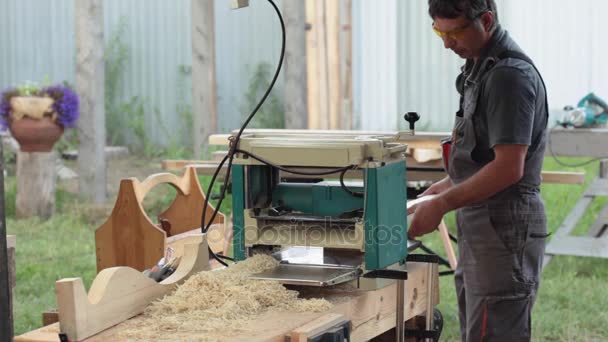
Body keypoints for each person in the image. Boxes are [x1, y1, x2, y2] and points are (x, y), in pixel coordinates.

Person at [408, 0, 549, 341]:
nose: (446, 42)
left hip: (503, 225)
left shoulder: (508, 76)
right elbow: (483, 157)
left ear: (486, 20)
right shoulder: (478, 67)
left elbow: (507, 168)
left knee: (494, 331)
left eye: (454, 31)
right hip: (481, 223)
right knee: (478, 328)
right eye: (439, 32)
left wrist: (441, 206)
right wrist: (443, 187)